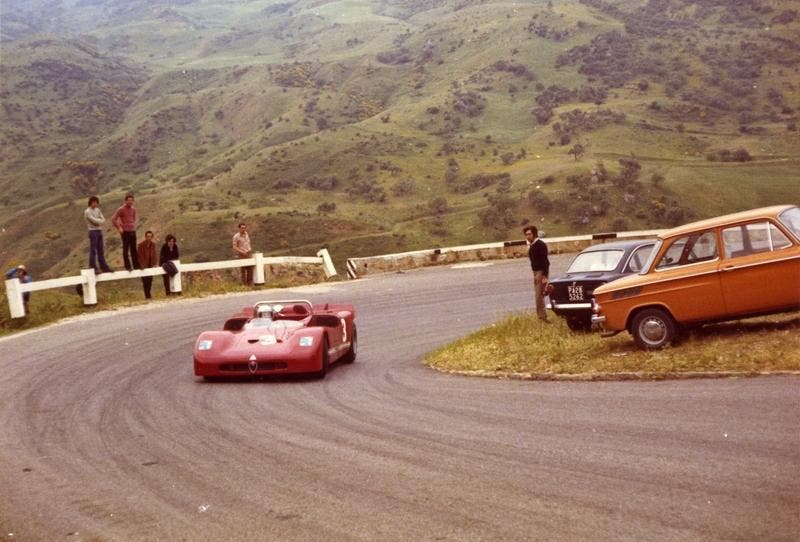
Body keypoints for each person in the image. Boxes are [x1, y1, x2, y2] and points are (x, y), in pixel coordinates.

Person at [524, 225, 550, 321]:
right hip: (535, 272)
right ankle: (542, 316)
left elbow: (545, 261)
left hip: (541, 272)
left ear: (534, 234)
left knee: (539, 295)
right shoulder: (532, 246)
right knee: (539, 294)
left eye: (529, 234)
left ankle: (542, 317)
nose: (527, 236)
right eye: (526, 234)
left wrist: (544, 276)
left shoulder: (540, 245)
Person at [111, 193, 139, 271]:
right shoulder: (121, 209)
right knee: (126, 249)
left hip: (132, 231)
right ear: (125, 201)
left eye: (131, 200)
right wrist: (119, 228)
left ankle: (136, 266)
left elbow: (133, 219)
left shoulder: (133, 209)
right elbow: (113, 219)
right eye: (128, 200)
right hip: (125, 232)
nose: (130, 202)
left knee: (134, 249)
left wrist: (132, 226)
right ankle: (128, 266)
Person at [84, 196, 113, 273]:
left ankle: (104, 267)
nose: (95, 204)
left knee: (101, 250)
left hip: (99, 230)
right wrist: (99, 221)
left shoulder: (98, 210)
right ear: (90, 202)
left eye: (96, 202)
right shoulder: (87, 211)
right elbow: (94, 221)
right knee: (93, 250)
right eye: (94, 202)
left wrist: (99, 222)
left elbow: (103, 220)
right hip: (92, 231)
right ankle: (92, 266)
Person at [137, 230, 157, 299]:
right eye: (148, 236)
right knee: (145, 282)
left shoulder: (153, 245)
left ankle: (148, 296)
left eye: (150, 236)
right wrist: (142, 265)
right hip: (143, 266)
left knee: (150, 281)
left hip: (150, 265)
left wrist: (154, 263)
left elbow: (154, 255)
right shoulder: (141, 245)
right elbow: (139, 256)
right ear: (145, 237)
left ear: (152, 237)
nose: (149, 238)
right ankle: (148, 296)